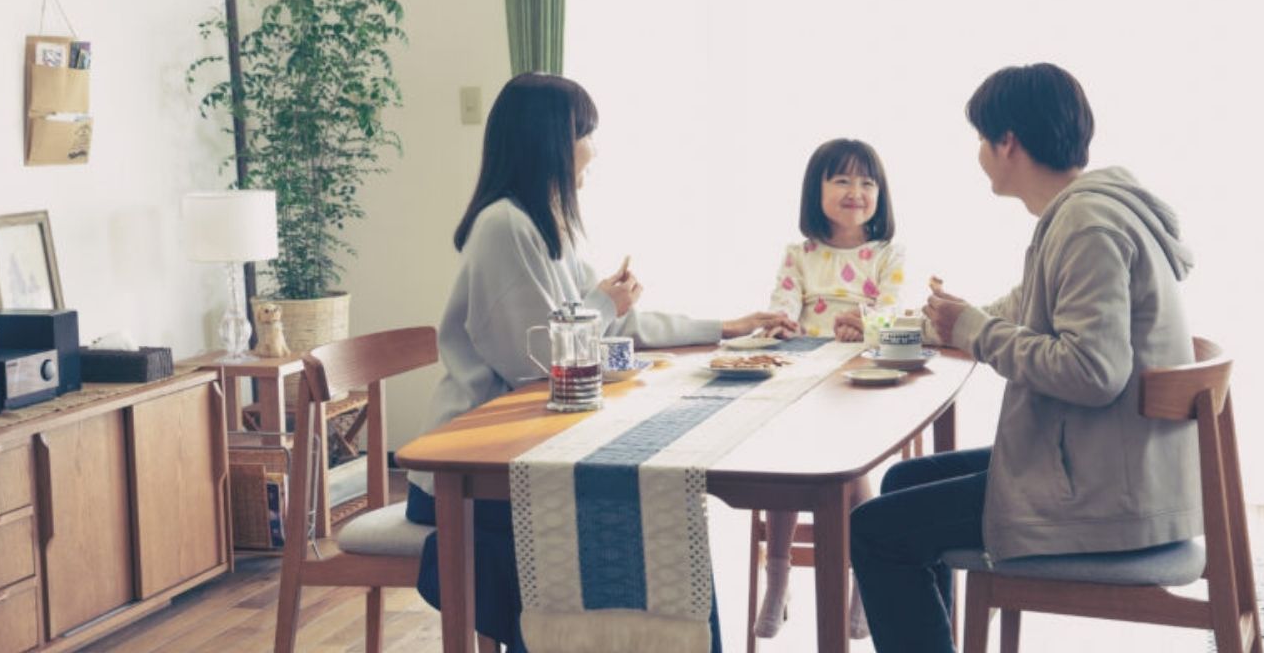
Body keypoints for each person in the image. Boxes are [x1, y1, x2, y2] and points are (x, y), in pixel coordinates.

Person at [405, 71, 789, 651]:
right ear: (550, 140)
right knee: (645, 512)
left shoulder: (546, 221)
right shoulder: (503, 226)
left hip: (529, 447)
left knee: (660, 508)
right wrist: (603, 302)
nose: (593, 149)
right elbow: (536, 358)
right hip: (475, 464)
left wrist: (724, 326)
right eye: (586, 133)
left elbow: (618, 325)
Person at [849, 62, 1199, 652]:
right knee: (904, 478)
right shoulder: (1086, 210)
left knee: (875, 531)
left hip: (1107, 495)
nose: (980, 154)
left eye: (981, 140)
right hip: (1115, 464)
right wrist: (954, 324)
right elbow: (1031, 304)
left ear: (1007, 142)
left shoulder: (1087, 225)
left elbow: (1092, 372)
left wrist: (978, 332)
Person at [754, 138, 906, 639]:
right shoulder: (799, 254)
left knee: (845, 457)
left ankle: (866, 574)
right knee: (782, 459)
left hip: (858, 376)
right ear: (815, 190)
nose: (855, 191)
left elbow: (890, 312)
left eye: (867, 182)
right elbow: (784, 305)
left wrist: (861, 323)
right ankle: (778, 578)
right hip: (801, 377)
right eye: (841, 179)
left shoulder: (887, 254)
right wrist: (782, 322)